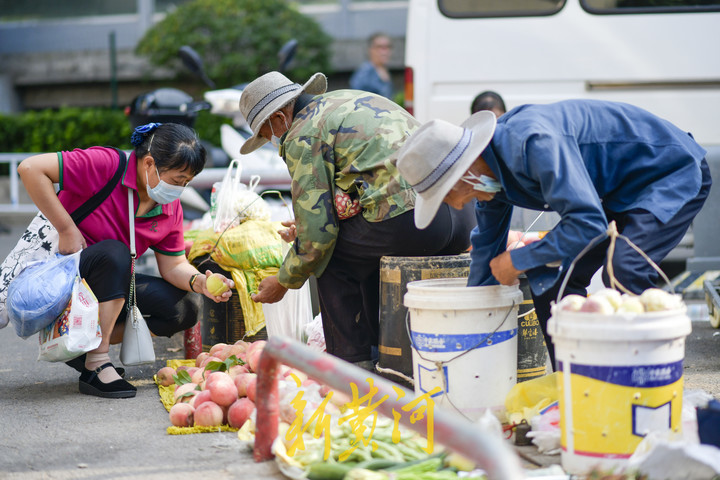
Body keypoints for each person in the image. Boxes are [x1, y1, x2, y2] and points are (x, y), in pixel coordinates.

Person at [396, 100, 711, 367]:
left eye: (449, 196)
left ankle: (644, 375)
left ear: (464, 174)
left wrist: (518, 259)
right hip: (615, 193)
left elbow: (588, 223)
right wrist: (476, 319)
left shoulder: (534, 143)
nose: (458, 204)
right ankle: (573, 380)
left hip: (668, 171)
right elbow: (486, 247)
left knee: (625, 269)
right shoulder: (489, 180)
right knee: (550, 279)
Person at [238, 71, 475, 368]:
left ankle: (352, 368)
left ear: (278, 117)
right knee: (359, 249)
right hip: (459, 213)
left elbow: (318, 238)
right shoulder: (347, 99)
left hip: (414, 220)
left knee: (330, 257)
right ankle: (385, 354)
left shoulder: (301, 132)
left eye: (264, 133)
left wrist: (284, 280)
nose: (271, 140)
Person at [17, 123, 235, 398]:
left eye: (186, 183)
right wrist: (66, 228)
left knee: (185, 307)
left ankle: (80, 347)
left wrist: (199, 282)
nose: (180, 189)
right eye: (177, 180)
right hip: (62, 278)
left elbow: (173, 265)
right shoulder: (107, 164)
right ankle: (97, 363)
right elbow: (29, 168)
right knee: (117, 254)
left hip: (108, 290)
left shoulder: (169, 208)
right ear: (149, 163)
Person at [349, 33, 394, 99]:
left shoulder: (383, 70)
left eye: (388, 47)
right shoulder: (365, 72)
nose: (385, 52)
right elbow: (356, 99)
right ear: (370, 50)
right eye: (380, 47)